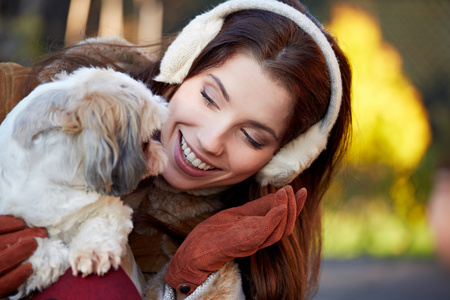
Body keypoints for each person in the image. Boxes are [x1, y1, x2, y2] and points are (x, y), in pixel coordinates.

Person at [0, 0, 352, 299]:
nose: (211, 141)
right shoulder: (37, 92)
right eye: (209, 97)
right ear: (181, 67)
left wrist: (190, 277)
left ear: (283, 160)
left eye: (252, 137)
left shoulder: (250, 255)